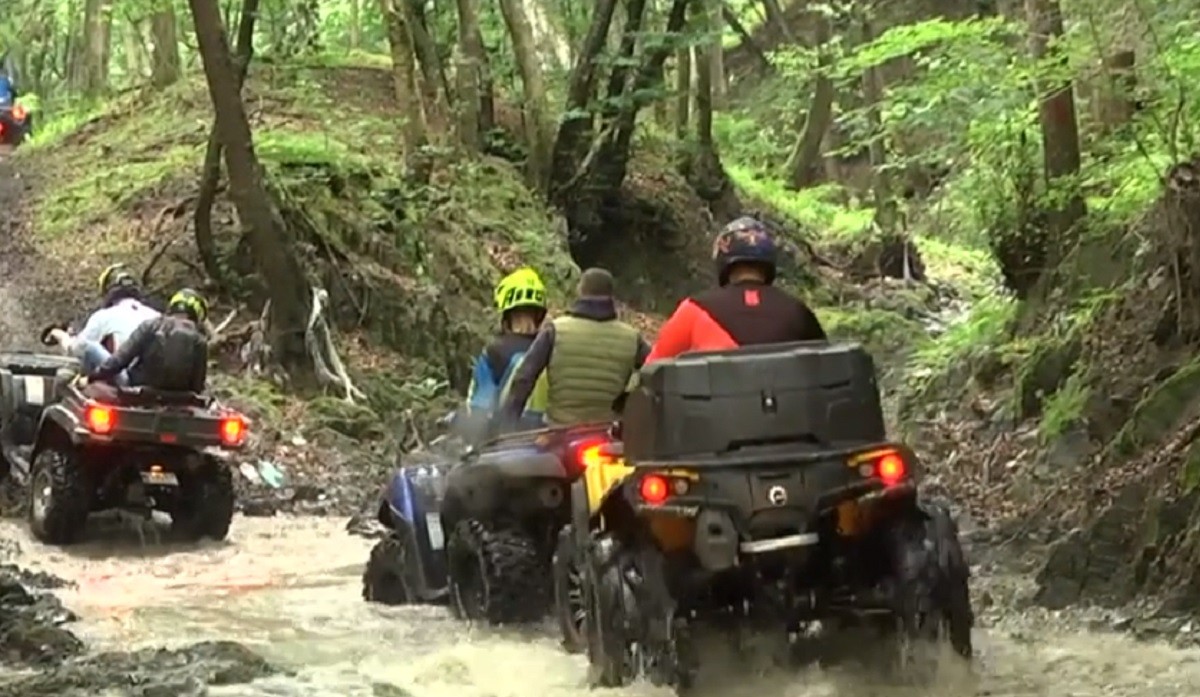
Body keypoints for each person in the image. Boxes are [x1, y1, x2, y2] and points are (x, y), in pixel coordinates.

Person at [646, 216, 827, 363]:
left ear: (722, 259)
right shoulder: (798, 312)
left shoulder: (694, 309)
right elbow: (829, 368)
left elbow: (652, 370)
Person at [499, 267, 650, 427]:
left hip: (560, 431)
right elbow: (657, 371)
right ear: (611, 297)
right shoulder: (632, 337)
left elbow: (524, 378)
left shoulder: (555, 330)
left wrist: (506, 425)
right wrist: (627, 399)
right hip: (605, 433)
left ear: (580, 291)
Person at [466, 267, 550, 424]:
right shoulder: (553, 347)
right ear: (539, 314)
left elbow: (479, 406)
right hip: (550, 437)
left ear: (506, 314)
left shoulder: (494, 352)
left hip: (507, 438)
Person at [47, 264, 161, 374]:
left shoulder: (103, 316)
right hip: (153, 382)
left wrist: (61, 336)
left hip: (122, 380)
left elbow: (79, 349)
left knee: (64, 376)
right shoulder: (158, 317)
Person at [90, 288, 210, 392]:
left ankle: (78, 381)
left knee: (91, 348)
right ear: (198, 314)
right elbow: (197, 386)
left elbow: (120, 360)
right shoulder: (200, 341)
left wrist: (93, 377)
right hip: (179, 400)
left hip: (139, 392)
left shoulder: (151, 325)